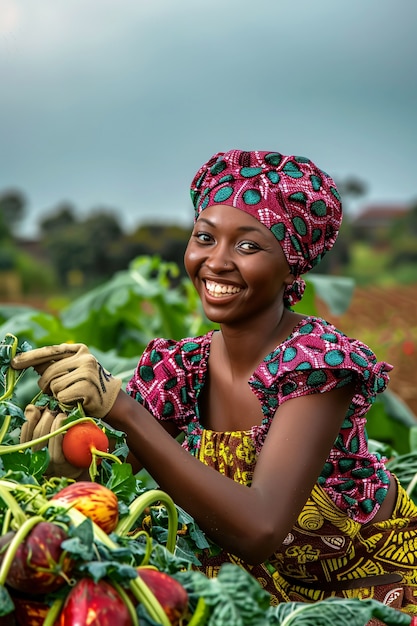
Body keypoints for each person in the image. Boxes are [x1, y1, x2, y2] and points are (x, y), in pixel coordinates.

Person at [12, 149, 417, 619]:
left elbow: (260, 528)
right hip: (254, 601)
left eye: (248, 246)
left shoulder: (318, 364)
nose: (216, 262)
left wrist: (123, 409)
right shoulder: (179, 369)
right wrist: (71, 464)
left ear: (292, 266)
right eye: (205, 237)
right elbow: (113, 480)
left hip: (369, 596)